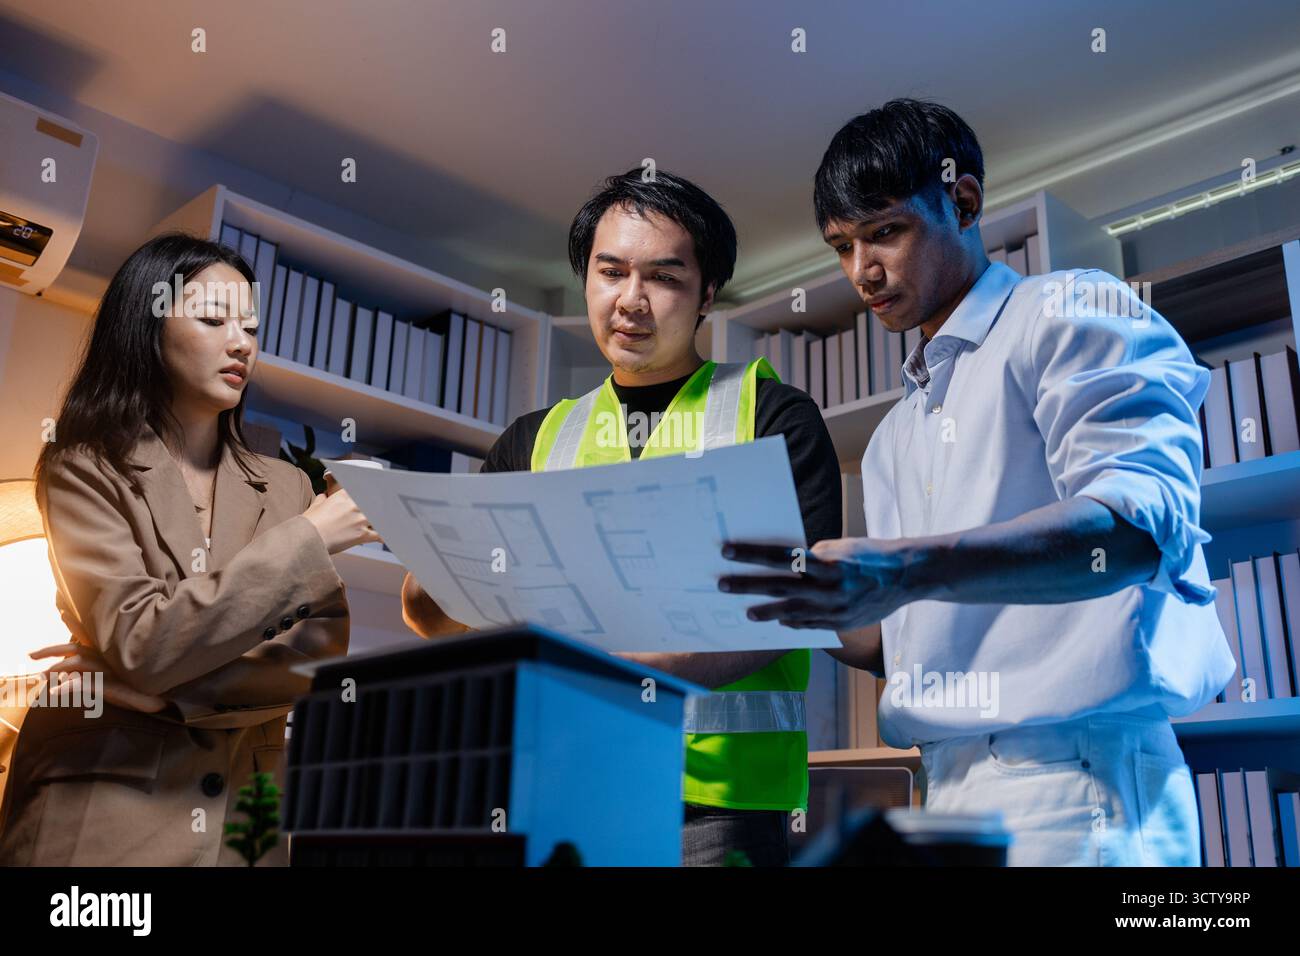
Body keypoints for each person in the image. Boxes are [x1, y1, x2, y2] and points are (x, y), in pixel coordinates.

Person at [719, 99, 1235, 866]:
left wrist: (903, 567)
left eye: (885, 231)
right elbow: (906, 638)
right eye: (841, 246)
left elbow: (1136, 530)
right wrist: (793, 598)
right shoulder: (897, 432)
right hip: (944, 784)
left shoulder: (1068, 310)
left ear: (963, 201)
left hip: (1077, 781)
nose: (863, 271)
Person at [402, 169, 880, 866]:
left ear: (708, 294)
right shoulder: (535, 439)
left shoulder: (771, 415)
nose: (631, 300)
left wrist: (621, 673)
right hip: (560, 788)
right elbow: (436, 609)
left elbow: (798, 604)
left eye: (662, 277)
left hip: (721, 803)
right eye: (610, 272)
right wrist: (437, 582)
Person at [0, 233, 378, 865]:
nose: (242, 343)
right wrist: (312, 536)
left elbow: (314, 658)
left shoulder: (287, 484)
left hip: (242, 821)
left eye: (251, 327)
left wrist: (163, 693)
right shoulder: (82, 467)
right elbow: (144, 641)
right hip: (99, 809)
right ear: (146, 328)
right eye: (212, 318)